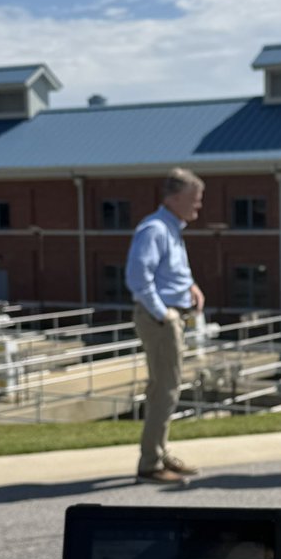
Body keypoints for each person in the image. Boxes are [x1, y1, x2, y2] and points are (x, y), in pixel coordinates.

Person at [125, 168, 206, 483]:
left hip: (169, 315)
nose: (198, 207)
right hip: (161, 320)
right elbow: (137, 278)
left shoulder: (171, 227)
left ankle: (158, 452)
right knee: (165, 390)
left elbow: (169, 272)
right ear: (174, 198)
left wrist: (192, 287)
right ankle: (150, 464)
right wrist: (163, 314)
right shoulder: (155, 229)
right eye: (194, 200)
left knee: (165, 388)